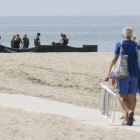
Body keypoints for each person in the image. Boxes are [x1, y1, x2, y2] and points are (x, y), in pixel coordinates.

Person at [105, 27, 138, 126]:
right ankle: (127, 120)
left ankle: (129, 112)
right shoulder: (136, 45)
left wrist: (110, 74)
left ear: (123, 35)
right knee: (132, 96)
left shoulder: (120, 44)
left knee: (121, 97)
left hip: (123, 74)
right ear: (132, 35)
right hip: (135, 74)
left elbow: (114, 60)